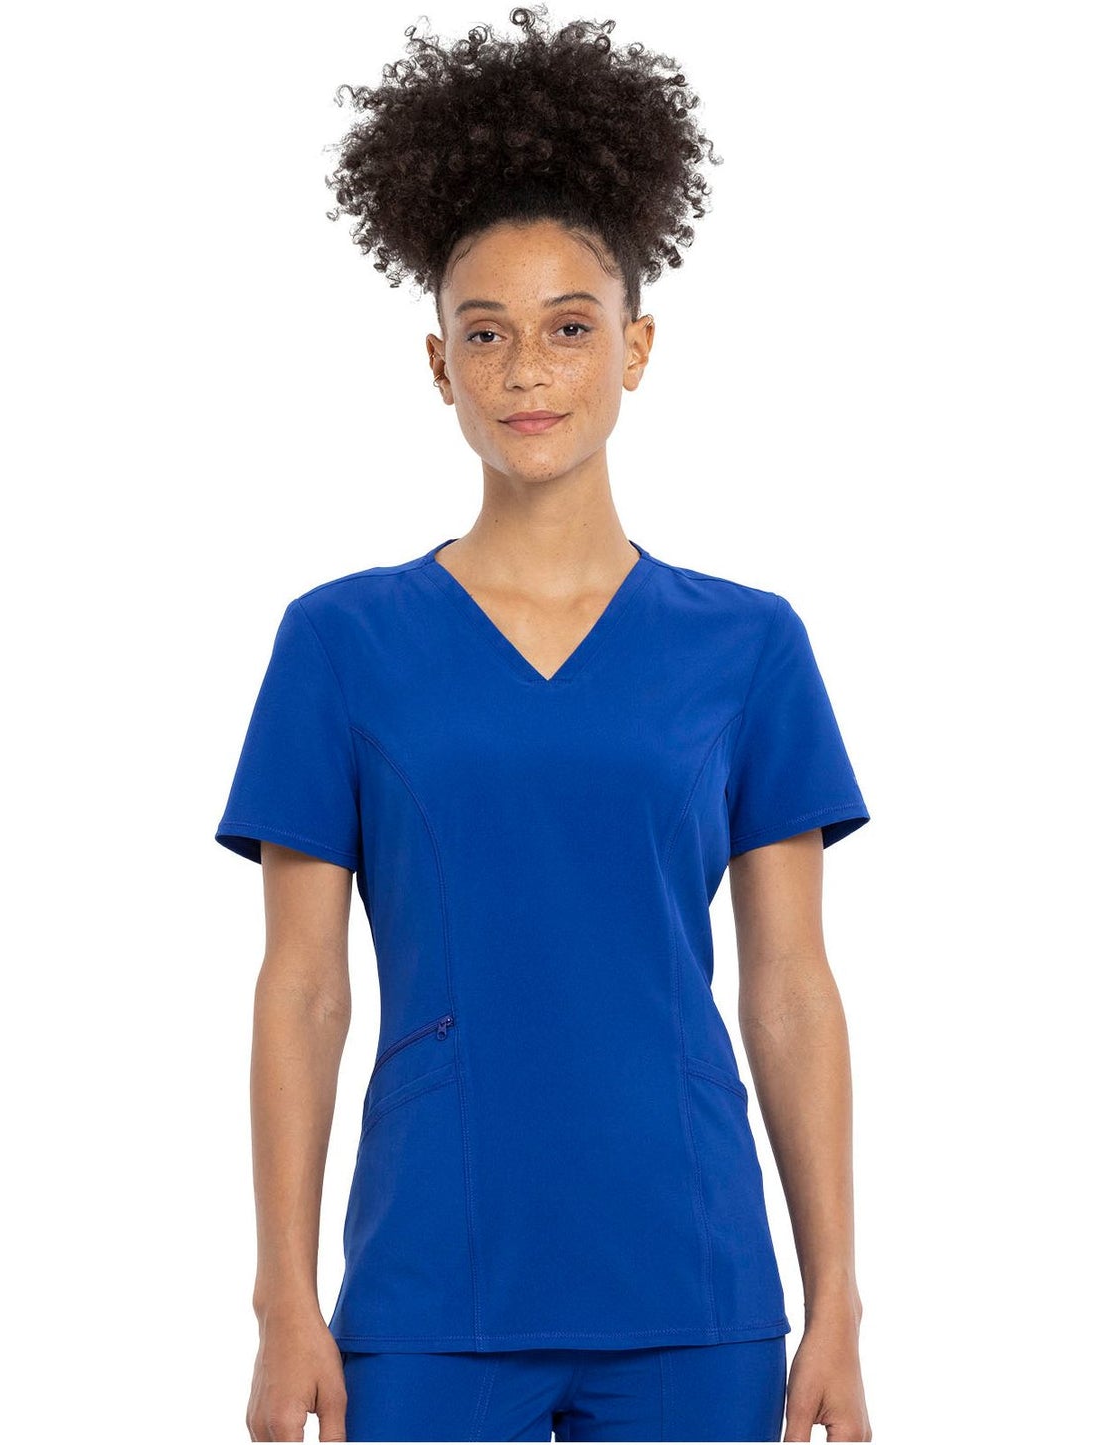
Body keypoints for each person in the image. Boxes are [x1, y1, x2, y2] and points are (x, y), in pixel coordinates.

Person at [215, 8, 874, 1441]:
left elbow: (788, 987)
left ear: (635, 348)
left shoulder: (749, 645)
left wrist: (837, 1300)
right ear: (437, 363)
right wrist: (282, 1301)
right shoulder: (339, 642)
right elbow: (303, 989)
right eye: (487, 333)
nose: (528, 370)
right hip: (429, 1287)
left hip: (694, 1277)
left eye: (570, 328)